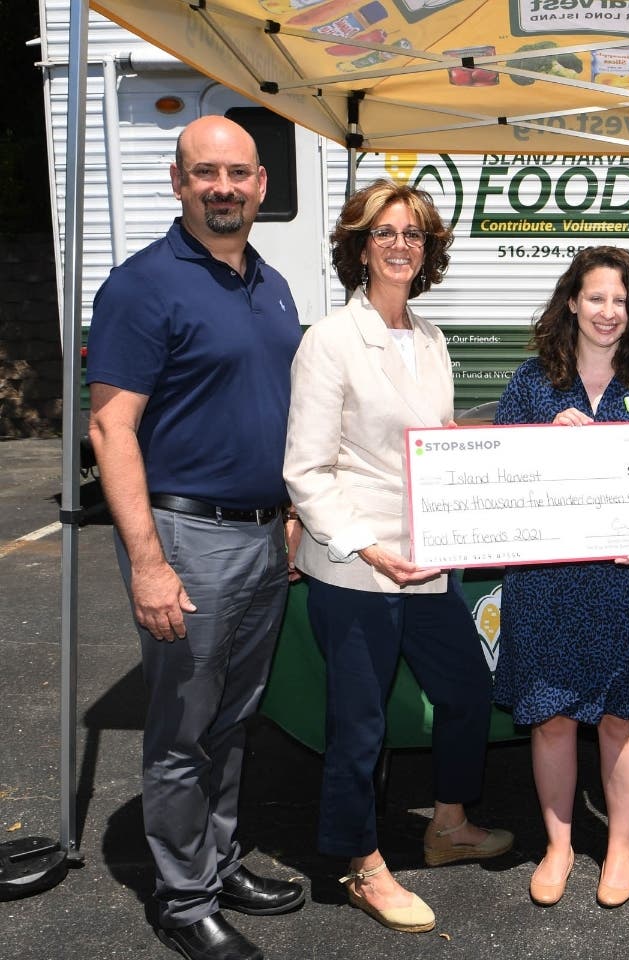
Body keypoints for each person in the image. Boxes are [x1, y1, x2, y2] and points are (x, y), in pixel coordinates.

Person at [86, 115, 305, 960]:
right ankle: (184, 903)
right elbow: (111, 430)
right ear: (178, 183)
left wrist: (287, 517)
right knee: (182, 731)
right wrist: (148, 563)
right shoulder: (142, 286)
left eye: (238, 173)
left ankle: (217, 864)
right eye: (205, 172)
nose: (224, 187)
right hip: (186, 536)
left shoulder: (271, 284)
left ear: (261, 186)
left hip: (261, 535)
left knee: (231, 720)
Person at [282, 179, 512, 935]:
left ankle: (448, 823)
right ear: (359, 246)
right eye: (384, 232)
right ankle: (361, 863)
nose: (400, 245)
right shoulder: (329, 340)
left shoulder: (431, 337)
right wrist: (369, 548)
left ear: (428, 250)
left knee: (468, 692)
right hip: (358, 565)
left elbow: (433, 440)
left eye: (413, 234)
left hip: (428, 560)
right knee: (361, 724)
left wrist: (521, 443)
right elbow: (307, 470)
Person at [492, 246, 629, 910]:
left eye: (622, 301)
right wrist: (545, 440)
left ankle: (621, 846)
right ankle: (559, 846)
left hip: (623, 583)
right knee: (550, 719)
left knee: (619, 718)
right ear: (572, 301)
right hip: (545, 583)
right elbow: (500, 478)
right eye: (597, 297)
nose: (609, 312)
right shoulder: (531, 384)